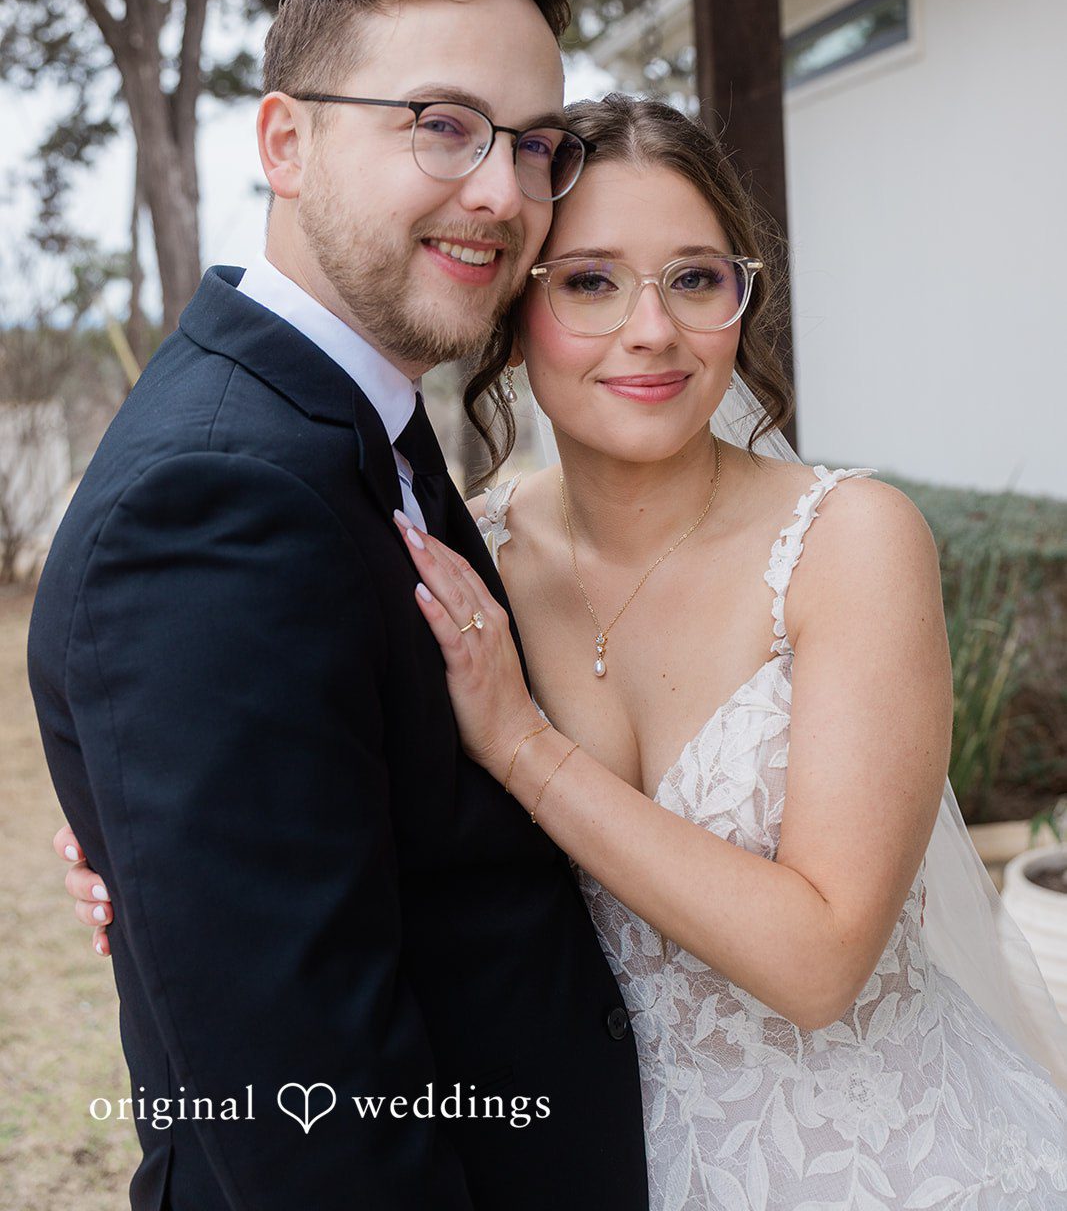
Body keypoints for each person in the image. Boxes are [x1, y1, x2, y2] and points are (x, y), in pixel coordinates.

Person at [56, 89, 1067, 1206]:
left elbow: (820, 959)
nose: (651, 329)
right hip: (589, 1161)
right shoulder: (455, 554)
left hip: (887, 1161)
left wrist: (525, 746)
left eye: (694, 277)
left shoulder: (849, 541)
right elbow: (274, 784)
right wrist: (142, 841)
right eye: (588, 281)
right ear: (512, 304)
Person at [28, 0, 648, 1211]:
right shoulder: (214, 503)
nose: (502, 192)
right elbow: (301, 1117)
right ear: (285, 144)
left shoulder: (355, 421)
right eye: (441, 124)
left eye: (532, 143)